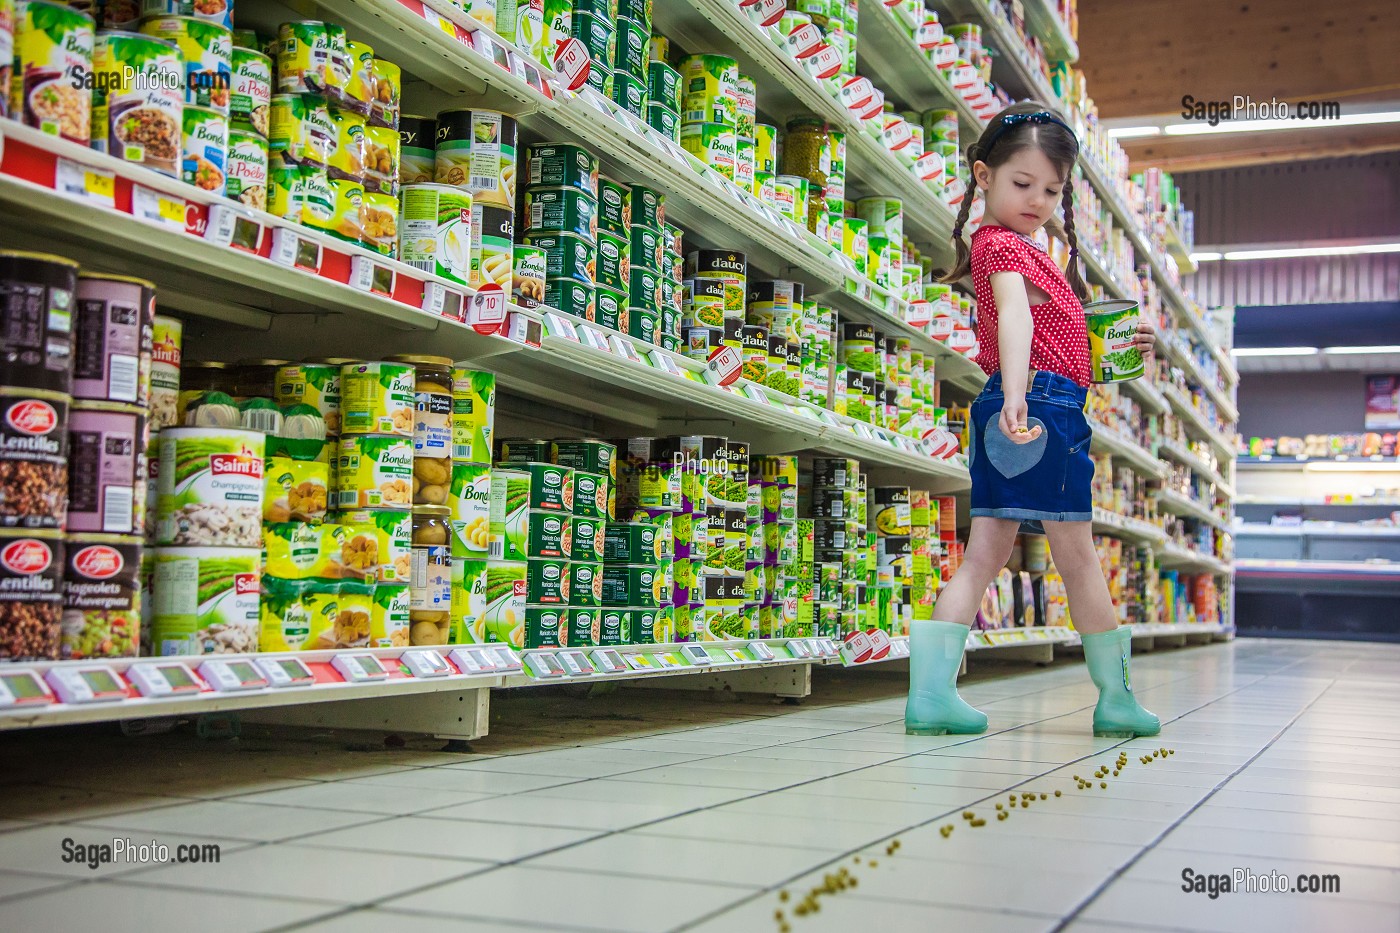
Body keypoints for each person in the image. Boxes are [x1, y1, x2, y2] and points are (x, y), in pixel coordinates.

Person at [906, 101, 1161, 739]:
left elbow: (1054, 335)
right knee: (1077, 556)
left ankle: (931, 695)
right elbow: (1016, 317)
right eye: (1023, 184)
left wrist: (1117, 348)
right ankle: (1115, 698)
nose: (1038, 199)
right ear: (983, 175)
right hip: (1038, 405)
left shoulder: (1018, 245)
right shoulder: (1001, 247)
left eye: (1052, 189)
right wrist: (1020, 393)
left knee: (983, 554)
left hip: (1025, 397)